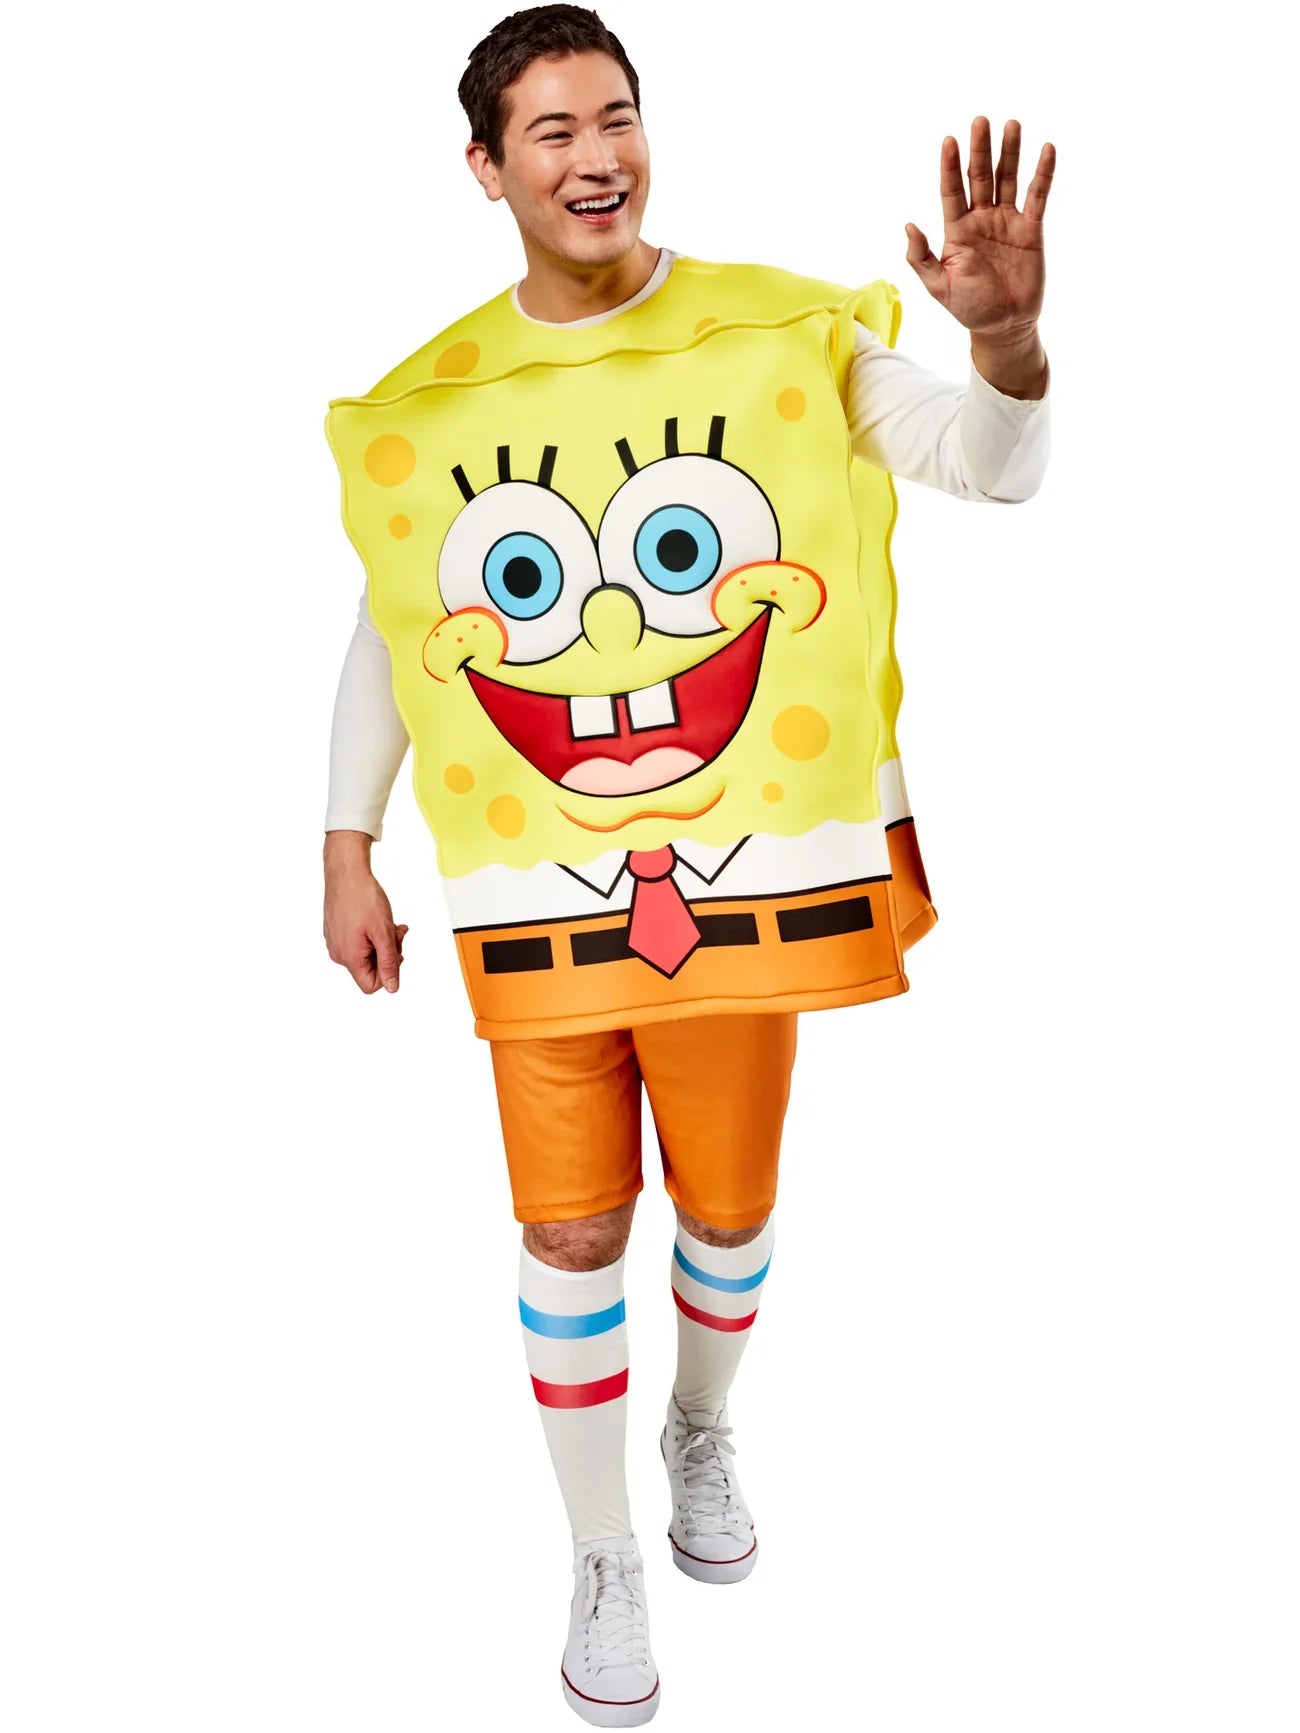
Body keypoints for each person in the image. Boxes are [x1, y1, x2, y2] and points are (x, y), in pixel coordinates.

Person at [322, 7, 1053, 1723]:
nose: (599, 157)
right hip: (534, 899)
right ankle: (602, 1553)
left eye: (619, 117)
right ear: (486, 167)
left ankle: (702, 1423)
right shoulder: (440, 397)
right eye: (555, 129)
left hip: (745, 876)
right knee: (571, 1224)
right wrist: (346, 836)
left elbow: (984, 466)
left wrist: (1009, 348)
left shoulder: (782, 335)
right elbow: (403, 621)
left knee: (724, 1206)